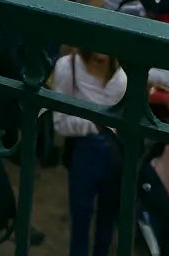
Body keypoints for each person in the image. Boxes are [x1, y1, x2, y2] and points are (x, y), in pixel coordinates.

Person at [52, 49, 126, 256]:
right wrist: (96, 124)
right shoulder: (69, 67)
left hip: (114, 155)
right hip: (84, 152)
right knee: (80, 218)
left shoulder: (122, 75)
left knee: (107, 220)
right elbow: (59, 123)